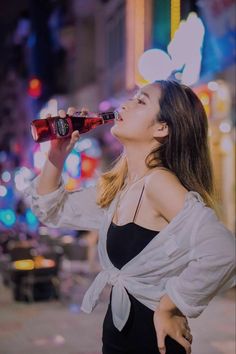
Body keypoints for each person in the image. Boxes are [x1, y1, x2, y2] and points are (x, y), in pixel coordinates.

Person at [24, 80, 235, 354]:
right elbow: (53, 210)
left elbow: (222, 250)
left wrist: (172, 305)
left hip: (151, 343)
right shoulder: (122, 187)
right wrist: (57, 154)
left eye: (141, 101)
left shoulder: (159, 183)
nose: (124, 104)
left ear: (162, 128)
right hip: (117, 339)